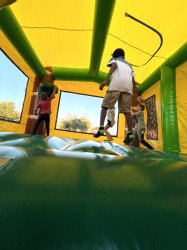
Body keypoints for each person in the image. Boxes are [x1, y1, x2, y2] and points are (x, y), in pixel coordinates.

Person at [94, 48, 139, 144]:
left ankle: (101, 128)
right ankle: (130, 133)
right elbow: (133, 81)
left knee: (104, 107)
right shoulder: (129, 65)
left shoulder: (115, 60)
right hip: (128, 88)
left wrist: (106, 80)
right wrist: (136, 95)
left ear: (115, 55)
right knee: (127, 111)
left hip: (116, 85)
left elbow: (114, 65)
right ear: (124, 56)